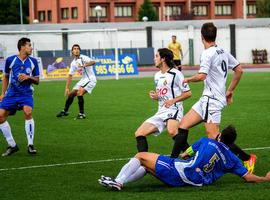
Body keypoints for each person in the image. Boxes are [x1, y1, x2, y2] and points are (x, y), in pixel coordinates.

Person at [170, 22, 256, 174]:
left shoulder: (207, 53)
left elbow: (202, 76)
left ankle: (247, 158)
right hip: (206, 99)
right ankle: (174, 160)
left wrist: (188, 79)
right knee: (182, 125)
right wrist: (229, 91)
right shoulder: (222, 51)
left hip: (213, 101)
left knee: (215, 138)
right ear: (214, 36)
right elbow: (239, 70)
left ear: (201, 37)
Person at [98, 125, 270, 191]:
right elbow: (247, 177)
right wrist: (264, 178)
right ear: (231, 142)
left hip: (182, 171)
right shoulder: (232, 158)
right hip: (198, 181)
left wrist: (184, 153)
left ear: (219, 136)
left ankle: (119, 181)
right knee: (146, 167)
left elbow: (186, 152)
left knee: (141, 156)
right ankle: (119, 182)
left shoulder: (206, 141)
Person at [135, 48, 192, 153]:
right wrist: (157, 96)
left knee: (172, 131)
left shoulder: (176, 74)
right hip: (161, 111)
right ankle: (144, 160)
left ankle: (192, 155)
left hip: (174, 109)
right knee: (139, 133)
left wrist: (173, 101)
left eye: (156, 56)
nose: (154, 58)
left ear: (163, 59)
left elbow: (188, 93)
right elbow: (163, 95)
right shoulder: (157, 75)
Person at [0, 37, 39, 156]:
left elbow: (37, 80)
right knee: (0, 117)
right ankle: (12, 145)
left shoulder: (33, 61)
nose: (31, 48)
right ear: (22, 47)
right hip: (11, 94)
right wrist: (3, 93)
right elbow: (6, 77)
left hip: (26, 94)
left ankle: (30, 145)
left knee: (28, 112)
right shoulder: (10, 60)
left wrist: (28, 77)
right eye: (29, 45)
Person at [56, 44, 96, 119]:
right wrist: (67, 87)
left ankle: (82, 114)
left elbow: (93, 62)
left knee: (79, 93)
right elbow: (70, 75)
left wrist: (85, 65)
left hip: (91, 79)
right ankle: (65, 111)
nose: (76, 50)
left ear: (80, 51)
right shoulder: (73, 63)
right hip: (83, 79)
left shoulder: (83, 58)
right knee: (71, 94)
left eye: (78, 49)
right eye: (74, 49)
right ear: (72, 51)